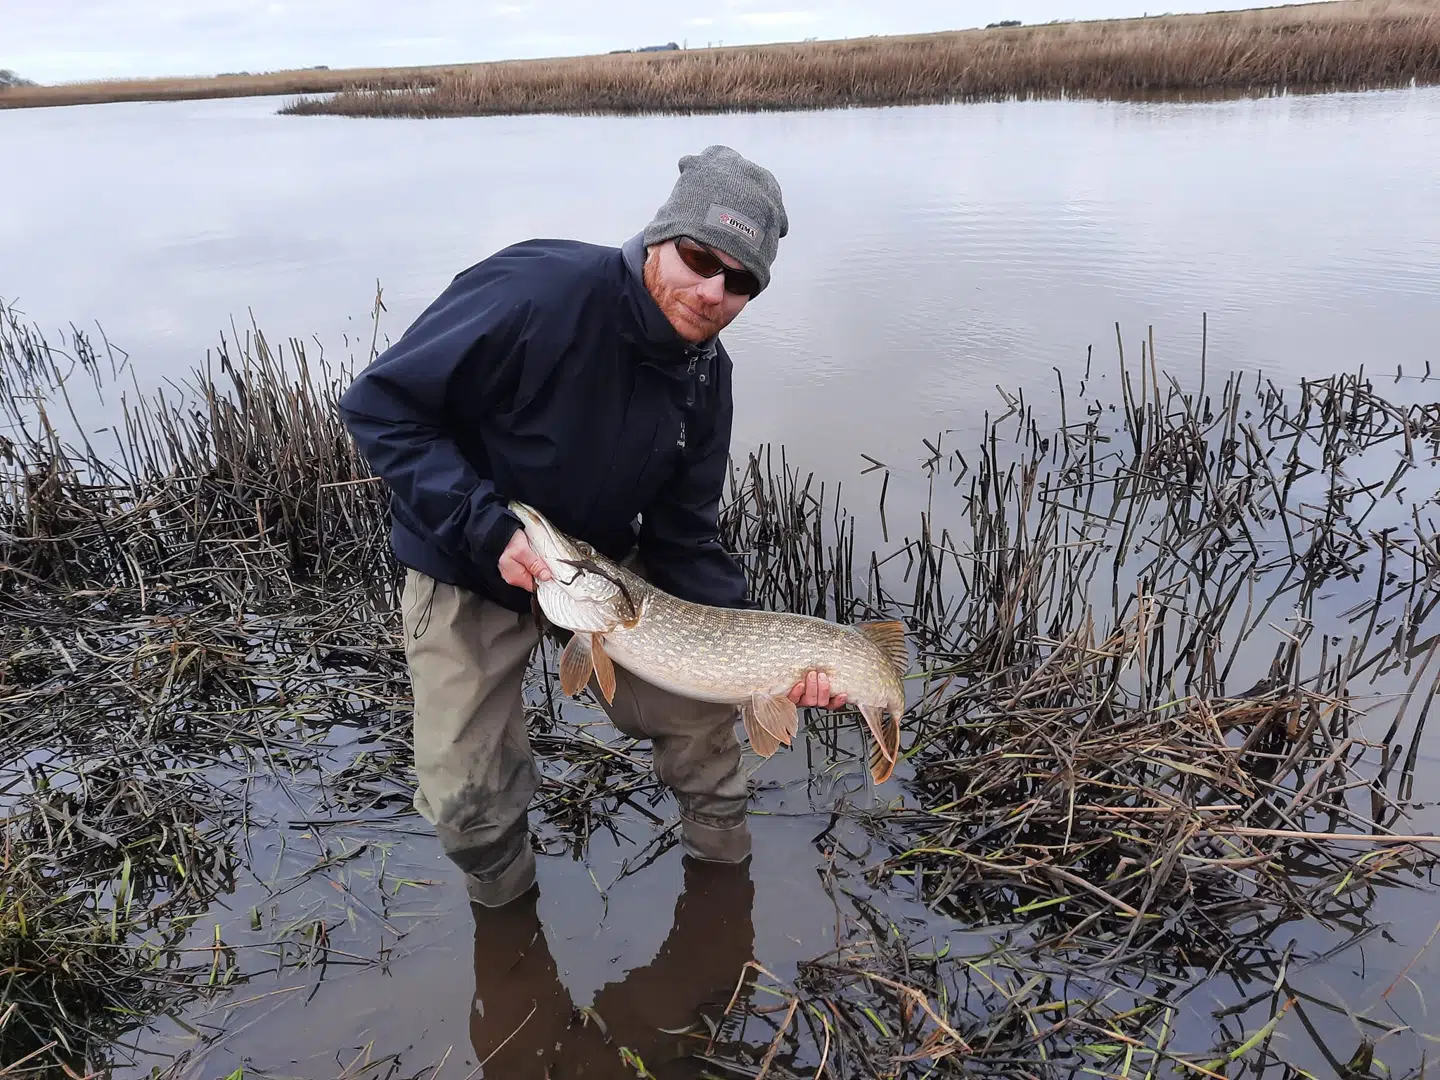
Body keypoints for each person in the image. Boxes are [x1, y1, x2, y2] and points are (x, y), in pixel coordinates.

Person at [339, 144, 845, 910]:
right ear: (657, 237)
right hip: (469, 554)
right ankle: (505, 913)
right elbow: (380, 406)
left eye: (739, 280)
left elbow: (684, 534)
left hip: (603, 575)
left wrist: (762, 660)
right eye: (699, 257)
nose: (712, 292)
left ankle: (723, 897)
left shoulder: (707, 374)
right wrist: (486, 529)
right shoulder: (536, 290)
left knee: (705, 723)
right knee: (465, 795)